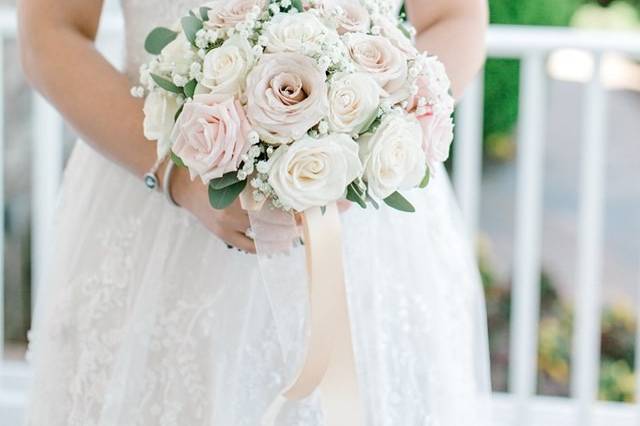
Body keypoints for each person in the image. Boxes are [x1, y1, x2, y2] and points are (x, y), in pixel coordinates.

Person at [18, 0, 491, 424]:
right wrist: (176, 176)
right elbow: (51, 30)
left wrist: (362, 153)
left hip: (367, 237)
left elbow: (457, 16)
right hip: (156, 224)